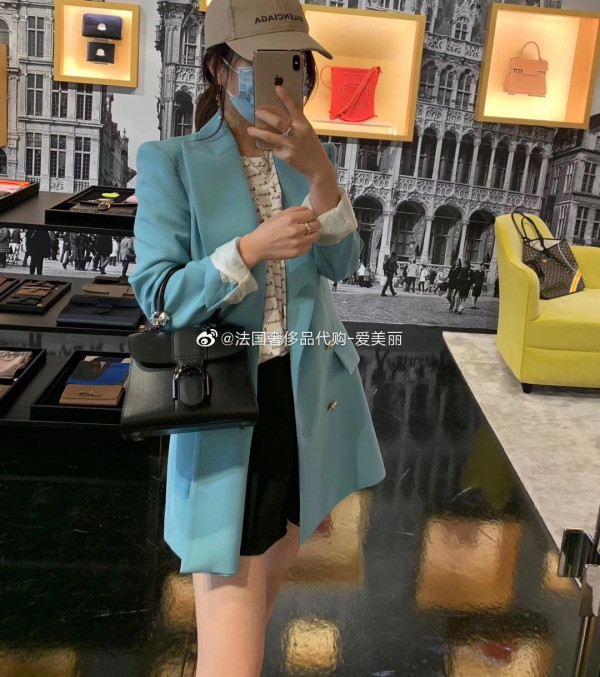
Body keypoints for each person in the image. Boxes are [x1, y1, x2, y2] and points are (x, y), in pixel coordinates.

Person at [128, 2, 386, 675]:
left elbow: (340, 264)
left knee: (257, 608)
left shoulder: (301, 159)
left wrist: (322, 175)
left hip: (306, 407)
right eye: (264, 63)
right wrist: (248, 249)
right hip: (227, 410)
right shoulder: (172, 162)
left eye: (296, 63)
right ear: (220, 68)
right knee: (234, 654)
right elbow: (158, 295)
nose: (283, 79)